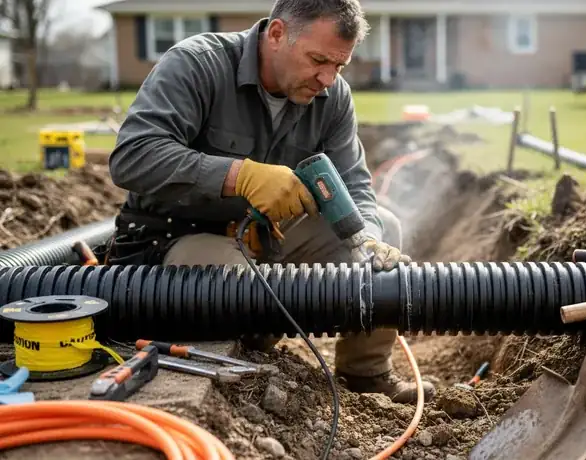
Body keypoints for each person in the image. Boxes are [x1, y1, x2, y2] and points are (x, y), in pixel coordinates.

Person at [105, 0, 435, 404]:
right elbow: (133, 157)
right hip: (175, 239)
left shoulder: (332, 97)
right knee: (241, 284)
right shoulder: (198, 65)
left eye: (339, 65)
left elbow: (355, 185)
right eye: (318, 60)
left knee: (383, 231)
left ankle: (365, 373)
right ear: (277, 34)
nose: (327, 79)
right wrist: (240, 175)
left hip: (265, 235)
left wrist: (365, 235)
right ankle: (252, 364)